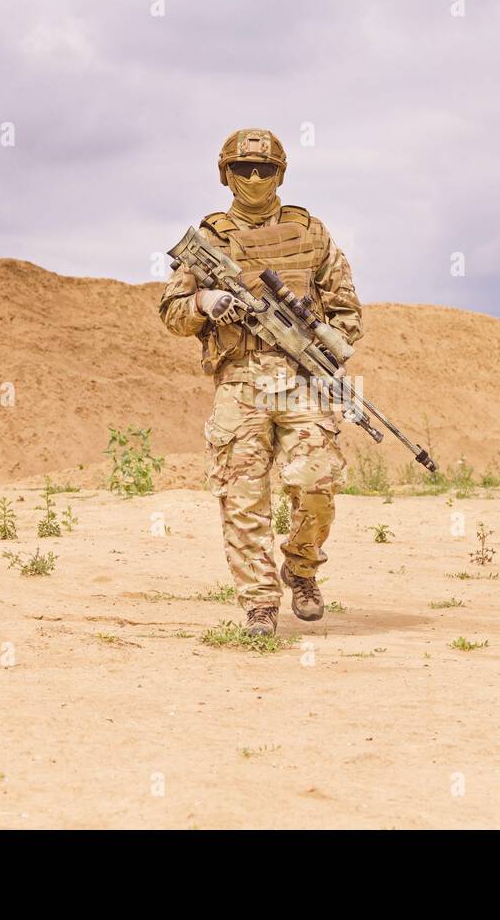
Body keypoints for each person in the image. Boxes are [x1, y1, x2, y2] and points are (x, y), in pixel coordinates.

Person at [159, 128, 362, 636]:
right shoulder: (208, 239)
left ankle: (302, 567)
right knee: (242, 497)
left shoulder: (311, 232)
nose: (254, 178)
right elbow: (173, 312)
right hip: (241, 381)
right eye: (243, 169)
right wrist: (204, 304)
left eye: (264, 169)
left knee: (317, 483)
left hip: (302, 380)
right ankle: (259, 604)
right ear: (225, 174)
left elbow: (346, 309)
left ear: (281, 174)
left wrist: (324, 340)